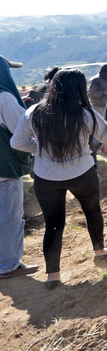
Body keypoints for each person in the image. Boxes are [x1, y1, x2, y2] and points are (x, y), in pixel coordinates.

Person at [11, 69, 107, 289]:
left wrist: (40, 148)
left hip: (46, 177)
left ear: (54, 86)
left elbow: (17, 143)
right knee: (92, 211)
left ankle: (53, 276)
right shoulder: (86, 113)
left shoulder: (35, 111)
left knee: (53, 224)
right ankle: (99, 251)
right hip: (82, 173)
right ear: (80, 89)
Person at [0, 56, 38, 280]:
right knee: (10, 217)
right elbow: (21, 132)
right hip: (4, 169)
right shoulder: (4, 97)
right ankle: (8, 264)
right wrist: (38, 149)